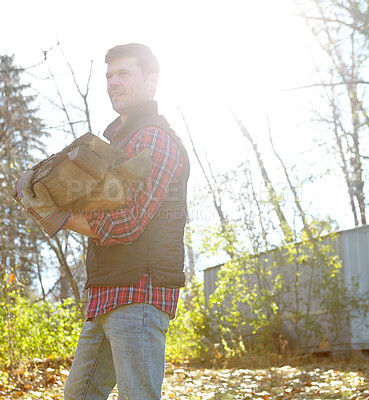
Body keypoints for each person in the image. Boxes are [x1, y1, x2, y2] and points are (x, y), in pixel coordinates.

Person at [18, 43, 190, 400]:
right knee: (79, 396)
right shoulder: (113, 141)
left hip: (140, 291)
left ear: (152, 80)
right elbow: (102, 208)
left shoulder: (154, 138)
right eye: (109, 75)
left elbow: (128, 222)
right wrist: (54, 192)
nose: (113, 82)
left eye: (124, 73)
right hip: (106, 292)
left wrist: (59, 216)